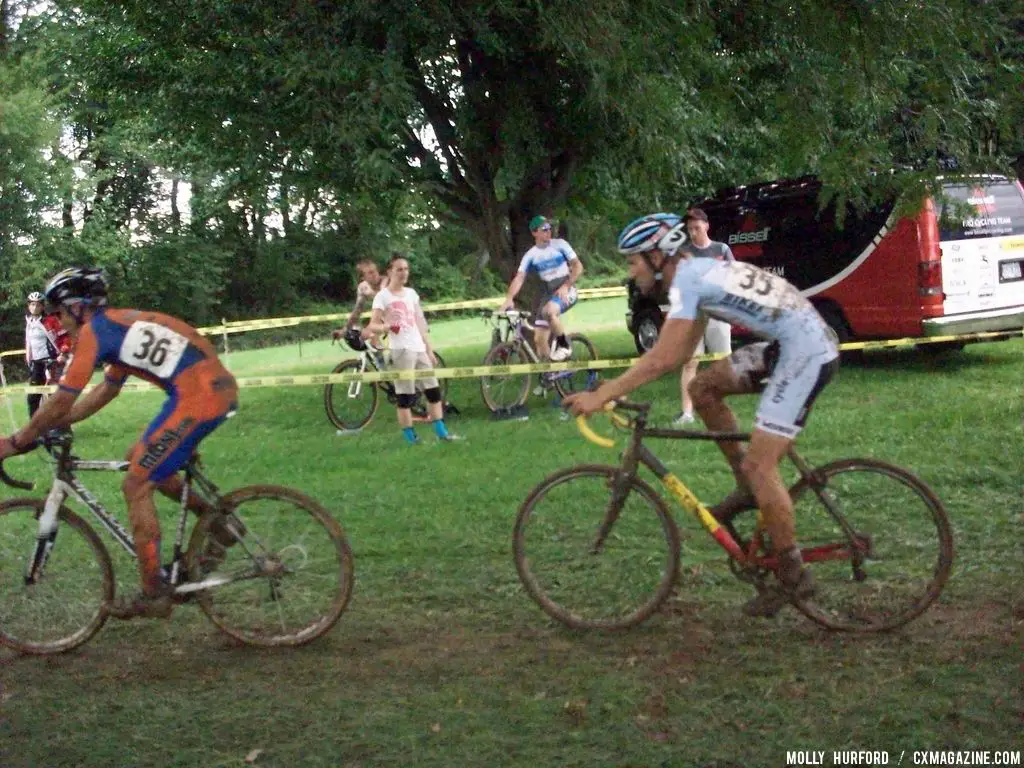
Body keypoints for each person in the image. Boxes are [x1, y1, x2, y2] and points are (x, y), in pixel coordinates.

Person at [564, 213, 839, 618]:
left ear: (657, 256)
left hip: (805, 353)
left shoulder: (690, 281)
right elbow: (680, 351)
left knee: (763, 466)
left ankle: (793, 573)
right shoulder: (695, 277)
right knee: (702, 389)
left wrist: (602, 393)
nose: (630, 270)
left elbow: (662, 358)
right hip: (791, 342)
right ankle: (747, 487)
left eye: (633, 261)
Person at [0, 267, 240, 620]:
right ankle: (218, 522)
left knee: (137, 482)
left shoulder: (96, 334)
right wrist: (58, 422)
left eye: (61, 313)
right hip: (204, 391)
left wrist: (17, 440)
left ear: (79, 308)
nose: (59, 321)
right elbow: (106, 390)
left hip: (200, 397)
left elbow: (65, 398)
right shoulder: (116, 327)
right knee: (137, 458)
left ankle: (153, 591)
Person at [364, 255, 457, 444]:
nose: (404, 273)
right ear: (390, 272)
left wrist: (429, 350)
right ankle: (411, 438)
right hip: (401, 350)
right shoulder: (383, 297)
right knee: (405, 396)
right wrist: (387, 327)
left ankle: (442, 432)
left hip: (419, 348)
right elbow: (372, 325)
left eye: (406, 269)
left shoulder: (411, 294)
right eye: (399, 269)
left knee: (433, 391)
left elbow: (419, 322)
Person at [674, 208, 734, 425]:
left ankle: (718, 406)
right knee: (690, 363)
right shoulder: (684, 252)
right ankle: (687, 412)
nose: (693, 233)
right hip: (693, 315)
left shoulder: (721, 249)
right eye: (690, 229)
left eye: (697, 228)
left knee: (722, 361)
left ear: (706, 226)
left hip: (719, 312)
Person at [499, 215, 583, 362]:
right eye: (544, 229)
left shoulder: (560, 244)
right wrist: (509, 298)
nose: (548, 231)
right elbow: (519, 277)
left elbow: (578, 266)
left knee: (550, 312)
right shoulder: (531, 255)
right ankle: (550, 376)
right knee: (539, 340)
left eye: (549, 228)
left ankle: (564, 345)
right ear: (534, 233)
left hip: (565, 287)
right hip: (549, 292)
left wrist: (566, 285)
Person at [24, 291, 71, 418]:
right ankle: (34, 428)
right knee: (33, 397)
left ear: (43, 306)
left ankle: (60, 427)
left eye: (38, 305)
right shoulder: (29, 321)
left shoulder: (50, 321)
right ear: (28, 306)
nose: (35, 307)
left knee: (53, 396)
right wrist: (29, 359)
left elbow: (65, 337)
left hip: (52, 361)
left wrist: (63, 353)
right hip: (37, 363)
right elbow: (29, 342)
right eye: (32, 304)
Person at [332, 259, 390, 354]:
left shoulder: (386, 281)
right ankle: (381, 361)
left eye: (375, 270)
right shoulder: (363, 287)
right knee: (367, 331)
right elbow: (357, 311)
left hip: (398, 317)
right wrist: (344, 330)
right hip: (383, 319)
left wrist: (371, 293)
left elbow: (384, 298)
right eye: (370, 273)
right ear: (363, 277)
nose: (375, 274)